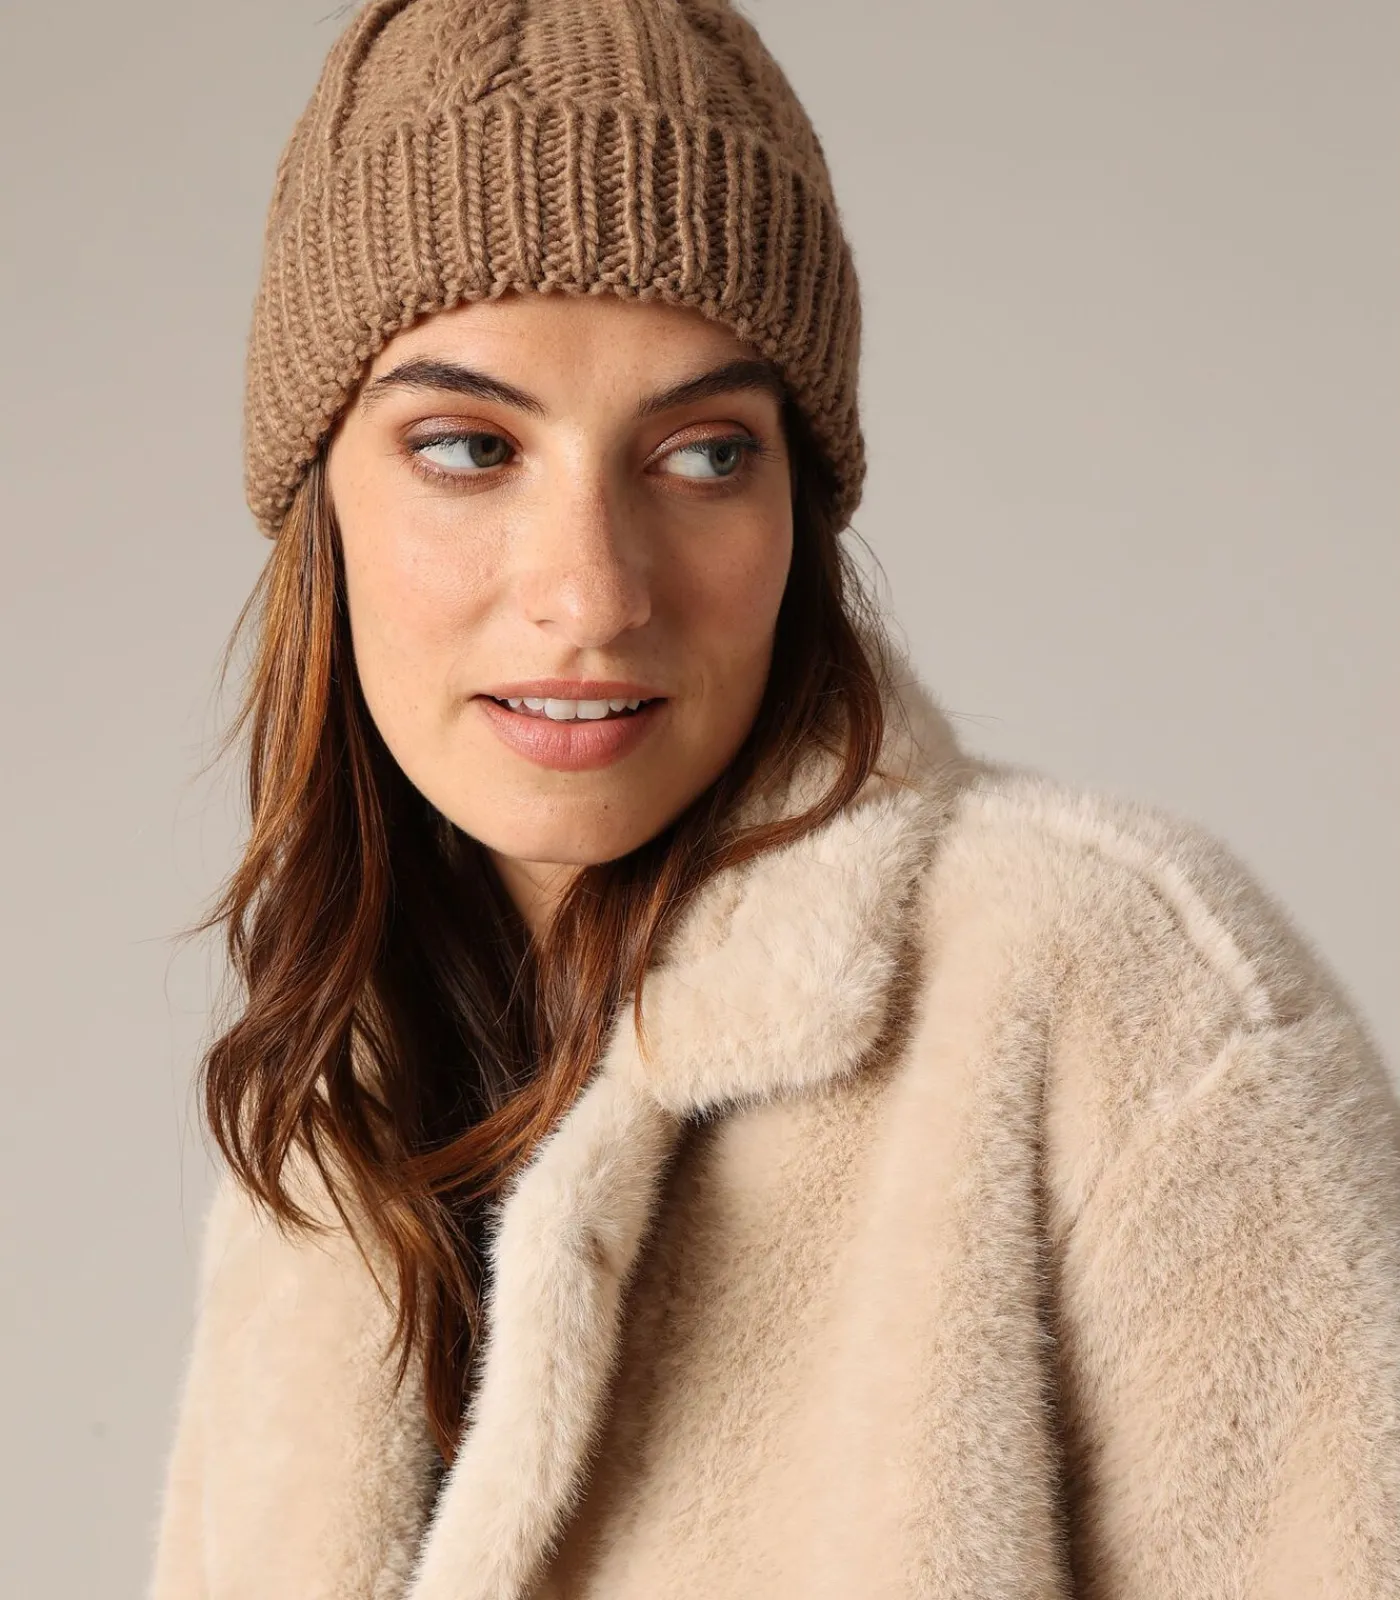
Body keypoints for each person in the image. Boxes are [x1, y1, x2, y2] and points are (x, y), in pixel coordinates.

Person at [147, 2, 1400, 1597]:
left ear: (801, 502)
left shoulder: (1108, 993)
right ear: (316, 496)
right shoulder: (330, 1120)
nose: (593, 592)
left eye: (704, 455)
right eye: (468, 447)